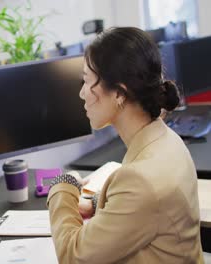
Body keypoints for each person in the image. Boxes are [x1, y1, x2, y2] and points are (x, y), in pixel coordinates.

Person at [47, 27, 204, 263]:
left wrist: (63, 187)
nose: (81, 94)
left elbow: (72, 256)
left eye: (87, 81)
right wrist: (96, 202)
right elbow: (149, 209)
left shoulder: (141, 180)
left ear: (120, 93)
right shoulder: (166, 139)